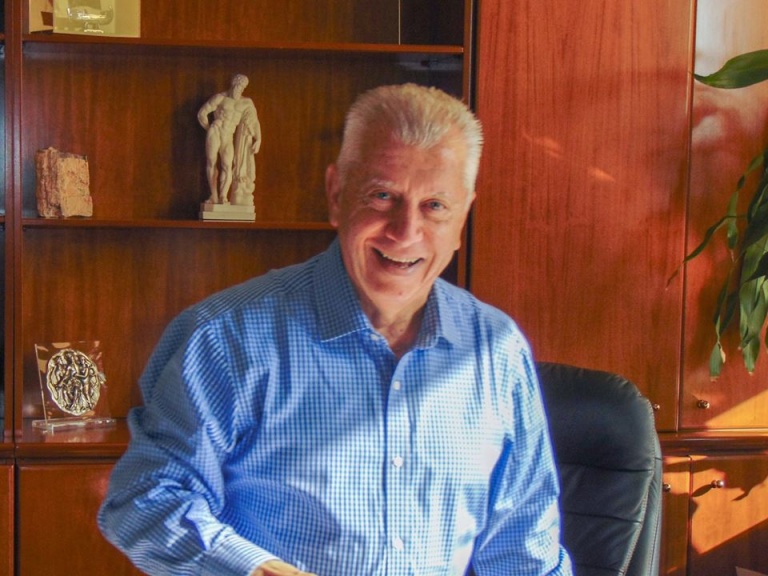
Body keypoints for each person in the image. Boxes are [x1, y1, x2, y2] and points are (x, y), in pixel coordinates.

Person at [98, 83, 572, 576]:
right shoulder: (224, 338)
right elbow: (145, 500)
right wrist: (257, 571)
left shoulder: (496, 349)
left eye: (435, 206)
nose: (405, 232)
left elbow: (525, 551)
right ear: (336, 194)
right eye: (382, 196)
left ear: (463, 215)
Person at [197, 74, 262, 205]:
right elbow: (202, 113)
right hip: (216, 130)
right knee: (211, 162)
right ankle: (214, 195)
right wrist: (210, 128)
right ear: (233, 84)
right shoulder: (220, 98)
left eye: (242, 87)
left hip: (228, 135)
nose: (239, 89)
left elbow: (254, 122)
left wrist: (258, 139)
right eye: (238, 86)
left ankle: (223, 196)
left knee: (227, 165)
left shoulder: (246, 103)